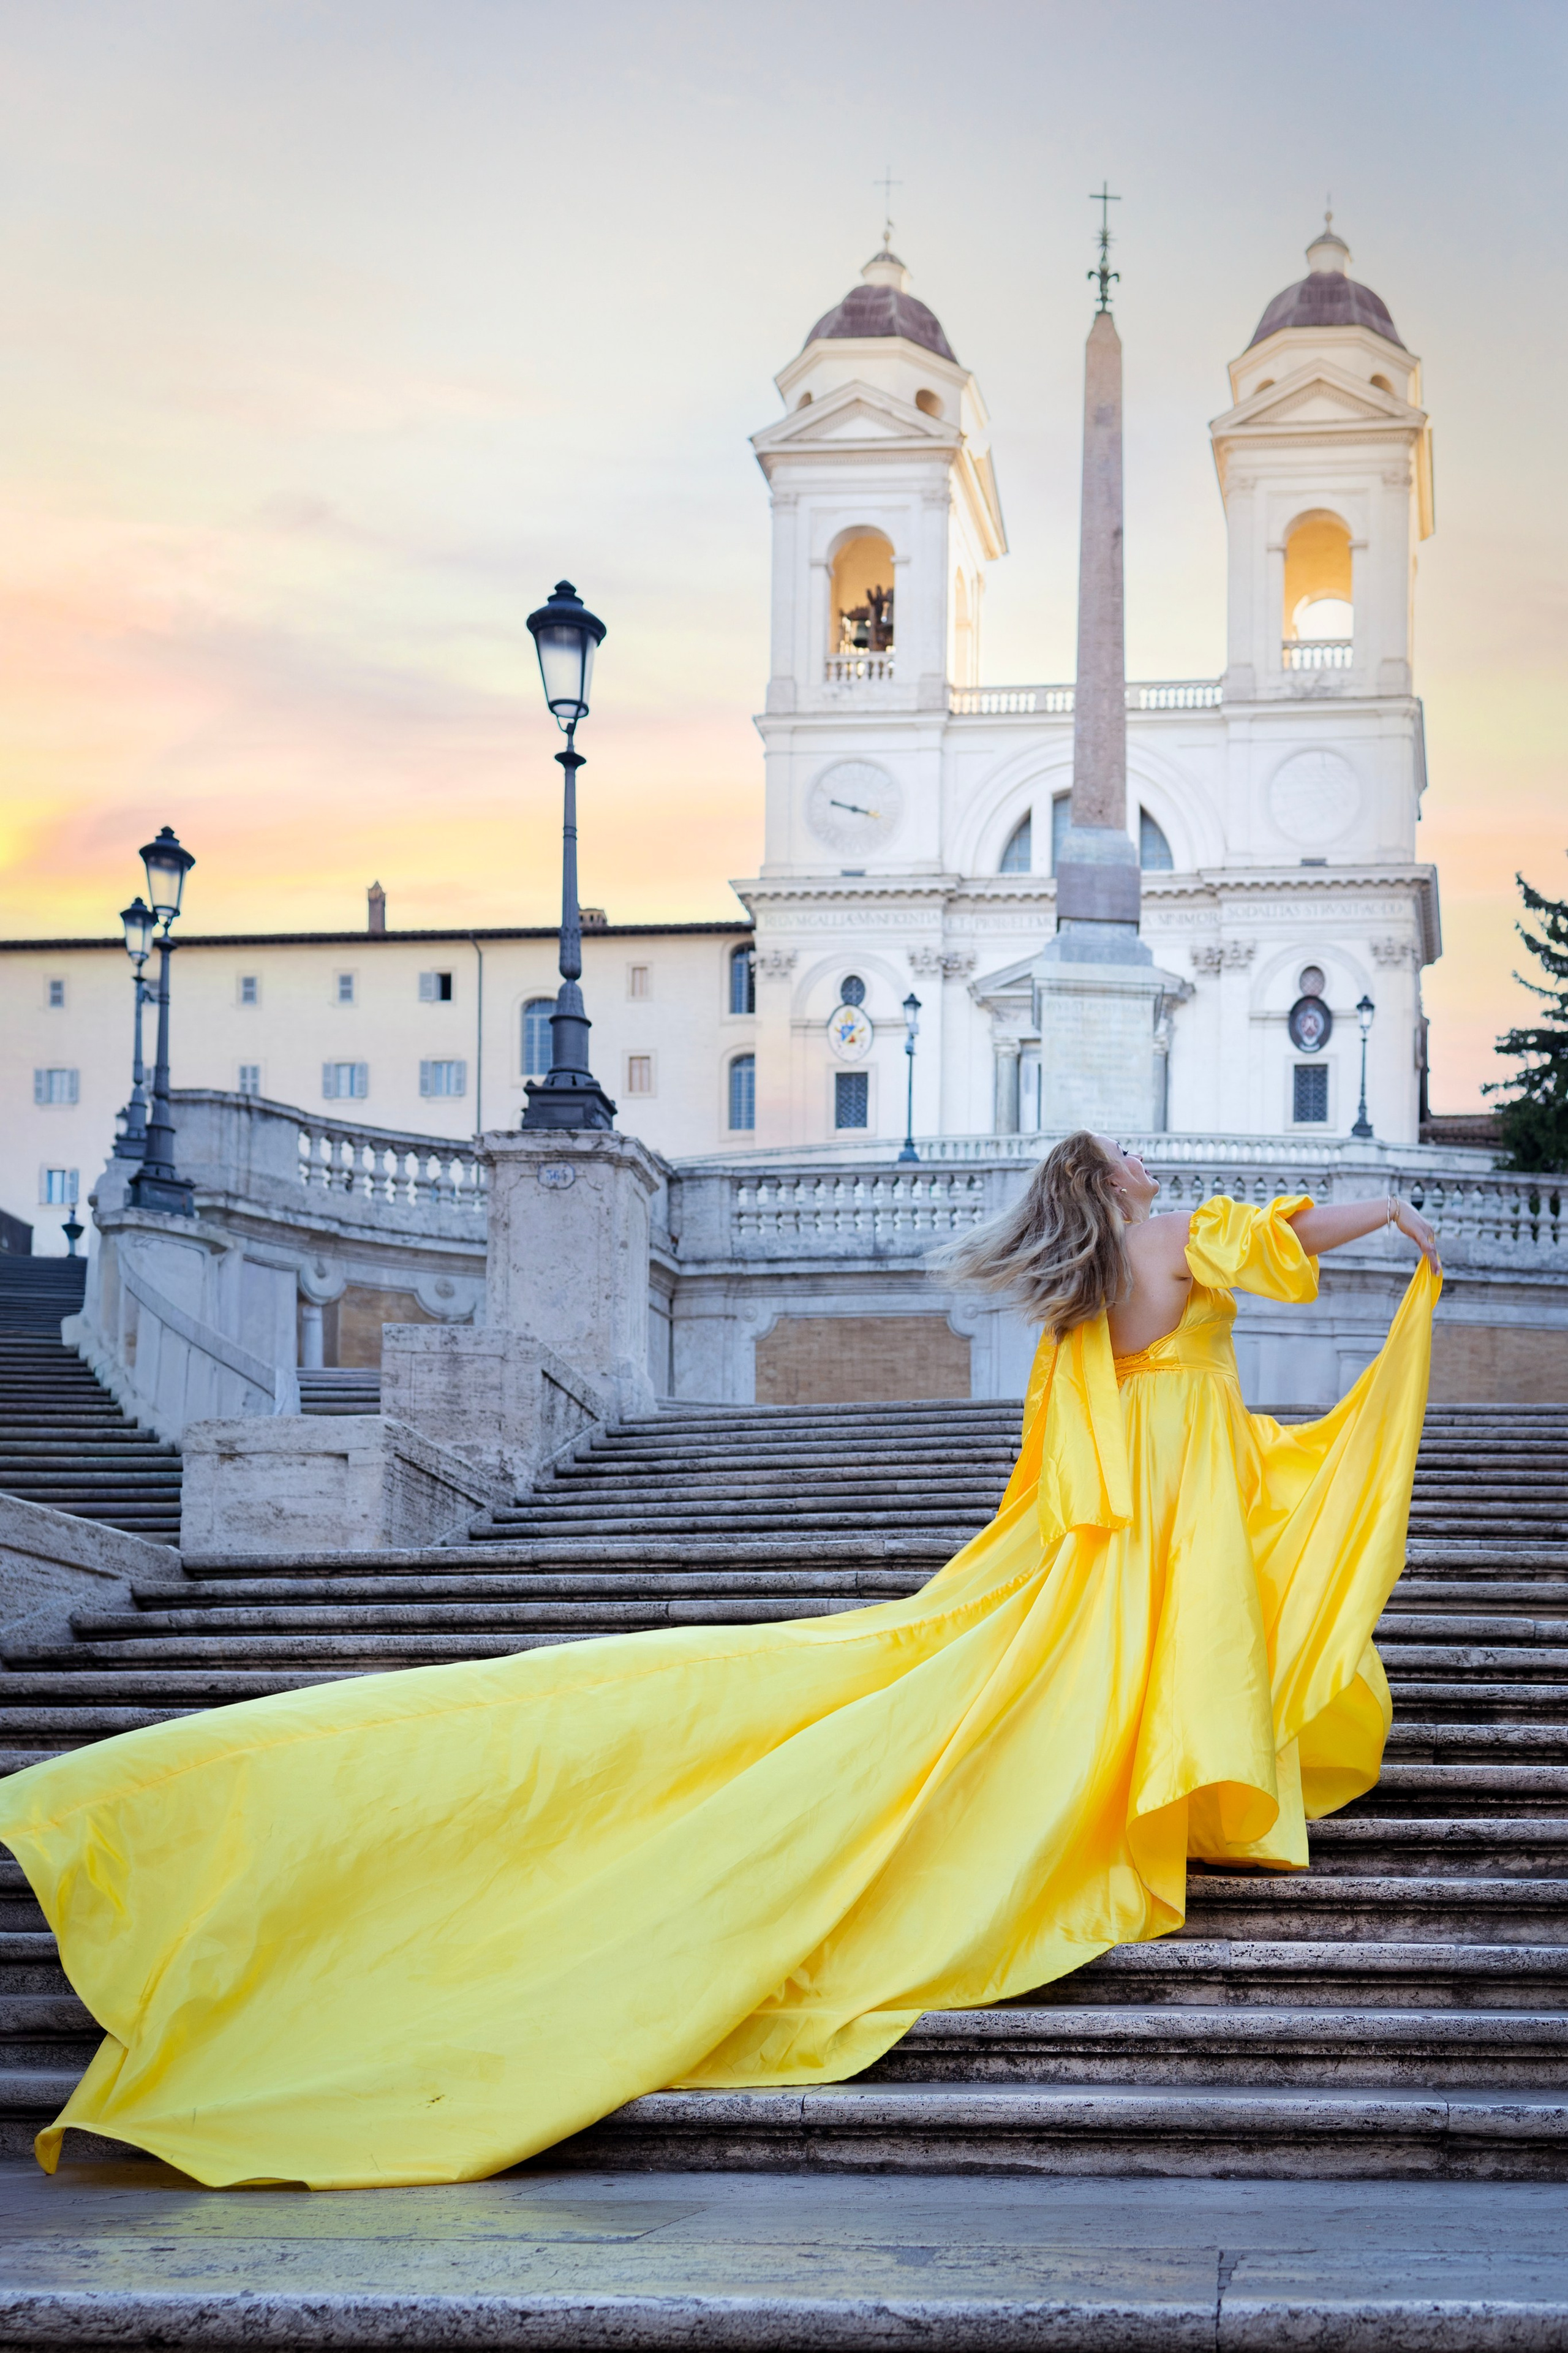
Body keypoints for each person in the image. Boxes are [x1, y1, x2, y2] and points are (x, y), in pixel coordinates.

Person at [0, 1137, 1441, 2191]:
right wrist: (1397, 1206)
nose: (1144, 1160)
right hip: (1173, 1512)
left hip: (1125, 1517)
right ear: (1112, 1183)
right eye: (1127, 1154)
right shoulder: (1178, 1232)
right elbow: (1296, 1232)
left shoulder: (1078, 1294)